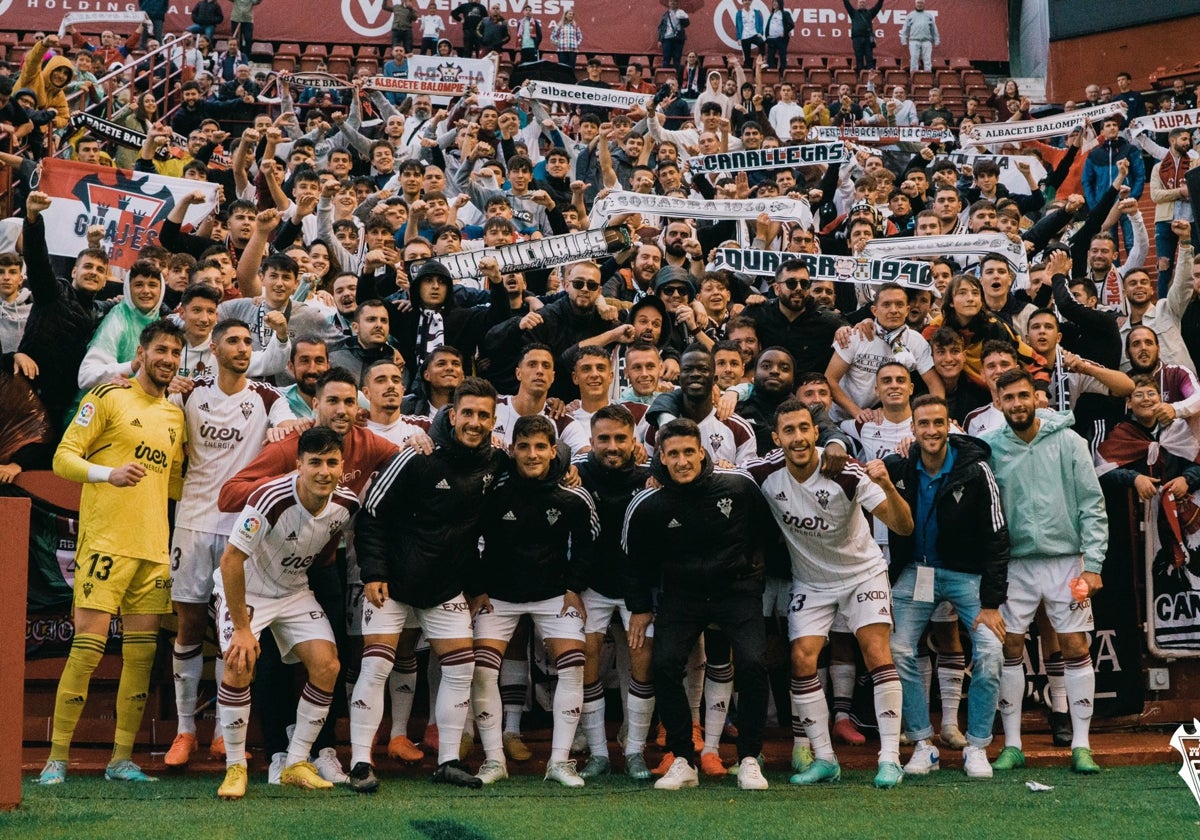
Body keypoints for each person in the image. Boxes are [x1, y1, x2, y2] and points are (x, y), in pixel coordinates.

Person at [38, 320, 186, 785]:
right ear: (140, 353)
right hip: (105, 543)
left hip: (152, 550)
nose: (168, 359)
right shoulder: (107, 397)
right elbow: (63, 458)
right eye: (160, 349)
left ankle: (121, 759)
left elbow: (178, 482)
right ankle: (55, 759)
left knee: (141, 658)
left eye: (175, 353)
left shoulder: (175, 416)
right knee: (86, 650)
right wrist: (108, 474)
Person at [350, 377, 510, 791]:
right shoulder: (416, 456)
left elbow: (542, 458)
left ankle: (450, 761)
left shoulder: (495, 461)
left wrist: (564, 462)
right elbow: (370, 515)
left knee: (461, 668)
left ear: (494, 421)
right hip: (393, 584)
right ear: (452, 414)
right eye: (468, 413)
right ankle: (361, 763)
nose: (475, 422)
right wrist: (374, 573)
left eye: (483, 416)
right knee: (377, 664)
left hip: (444, 586)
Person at [749, 398, 913, 789]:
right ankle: (825, 759)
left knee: (875, 652)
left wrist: (887, 484)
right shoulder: (764, 472)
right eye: (789, 431)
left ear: (815, 431)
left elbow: (903, 527)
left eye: (805, 428)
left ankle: (890, 758)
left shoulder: (846, 470)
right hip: (811, 581)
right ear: (777, 438)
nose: (799, 438)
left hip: (863, 574)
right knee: (802, 658)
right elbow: (724, 475)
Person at [164, 319, 298, 768]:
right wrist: (169, 388)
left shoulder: (267, 397)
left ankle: (224, 732)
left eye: (248, 342)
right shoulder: (188, 393)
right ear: (214, 349)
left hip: (242, 530)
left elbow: (291, 426)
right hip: (192, 522)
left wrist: (284, 432)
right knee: (188, 626)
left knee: (231, 634)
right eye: (234, 342)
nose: (243, 349)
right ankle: (185, 730)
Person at [623, 418, 775, 791]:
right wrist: (640, 607)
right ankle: (683, 759)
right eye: (673, 454)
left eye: (689, 452)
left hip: (736, 592)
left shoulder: (737, 486)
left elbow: (767, 533)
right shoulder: (649, 502)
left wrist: (752, 577)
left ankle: (749, 758)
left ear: (702, 451)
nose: (682, 461)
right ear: (661, 456)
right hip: (682, 596)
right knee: (665, 664)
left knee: (754, 663)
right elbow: (633, 560)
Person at [212, 427, 360, 799]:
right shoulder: (269, 496)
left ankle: (296, 762)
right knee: (239, 662)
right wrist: (243, 629)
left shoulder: (347, 504)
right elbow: (230, 560)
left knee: (328, 666)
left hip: (293, 590)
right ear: (299, 465)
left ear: (342, 464)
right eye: (315, 463)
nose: (324, 471)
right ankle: (235, 768)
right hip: (247, 588)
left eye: (331, 462)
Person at [980, 369, 1107, 775]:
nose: (1017, 404)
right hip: (1013, 562)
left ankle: (1082, 746)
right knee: (1009, 647)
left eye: (1023, 396)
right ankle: (1013, 744)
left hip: (1065, 559)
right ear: (997, 403)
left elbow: (1092, 504)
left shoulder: (1070, 441)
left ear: (1036, 397)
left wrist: (1095, 564)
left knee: (1074, 646)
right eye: (1008, 398)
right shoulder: (989, 448)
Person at [468, 415, 598, 787]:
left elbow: (587, 544)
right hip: (499, 597)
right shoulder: (494, 492)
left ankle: (559, 762)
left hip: (553, 594)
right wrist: (478, 588)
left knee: (573, 664)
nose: (532, 454)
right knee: (482, 669)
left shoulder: (572, 494)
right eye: (523, 446)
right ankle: (494, 760)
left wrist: (575, 585)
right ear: (511, 450)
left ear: (553, 451)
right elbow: (467, 539)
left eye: (540, 446)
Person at [884, 395, 1009, 779]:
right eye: (924, 424)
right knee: (899, 648)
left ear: (949, 425)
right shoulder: (899, 467)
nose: (932, 431)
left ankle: (977, 746)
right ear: (914, 429)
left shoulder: (975, 470)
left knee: (990, 653)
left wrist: (991, 604)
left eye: (939, 423)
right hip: (917, 573)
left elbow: (997, 537)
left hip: (966, 576)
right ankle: (923, 744)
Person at [574, 404, 656, 779]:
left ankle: (635, 751)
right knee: (585, 663)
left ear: (634, 440)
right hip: (591, 585)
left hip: (637, 588)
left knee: (643, 664)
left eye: (620, 438)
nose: (612, 446)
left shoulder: (650, 476)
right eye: (603, 439)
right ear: (590, 442)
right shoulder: (574, 472)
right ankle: (598, 754)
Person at [844, 0, 884, 71]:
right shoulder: (853, 13)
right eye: (860, 2)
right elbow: (847, 5)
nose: (861, 4)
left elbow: (878, 7)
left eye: (863, 2)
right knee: (859, 57)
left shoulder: (870, 13)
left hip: (867, 38)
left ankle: (870, 73)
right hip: (857, 38)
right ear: (857, 4)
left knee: (869, 57)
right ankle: (860, 73)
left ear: (866, 4)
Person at [899, 0, 939, 72]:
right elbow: (905, 29)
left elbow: (934, 29)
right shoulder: (910, 15)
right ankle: (914, 78)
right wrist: (903, 41)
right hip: (914, 41)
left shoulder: (929, 16)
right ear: (915, 4)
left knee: (927, 61)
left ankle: (928, 79)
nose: (919, 4)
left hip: (926, 41)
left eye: (921, 3)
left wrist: (936, 40)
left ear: (924, 4)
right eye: (918, 3)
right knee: (914, 61)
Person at [658, 0, 690, 71]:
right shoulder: (665, 14)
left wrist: (683, 18)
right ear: (669, 3)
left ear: (678, 3)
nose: (673, 3)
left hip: (678, 38)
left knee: (677, 59)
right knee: (666, 58)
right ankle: (665, 76)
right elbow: (661, 27)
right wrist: (660, 40)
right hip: (667, 38)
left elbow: (687, 24)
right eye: (671, 1)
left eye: (675, 1)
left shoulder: (681, 13)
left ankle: (677, 77)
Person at [763, 0, 795, 71]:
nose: (774, 3)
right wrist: (767, 35)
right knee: (770, 57)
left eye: (776, 2)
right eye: (773, 2)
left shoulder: (785, 13)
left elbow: (791, 24)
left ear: (780, 3)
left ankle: (782, 73)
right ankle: (771, 72)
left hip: (781, 39)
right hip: (771, 39)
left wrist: (785, 32)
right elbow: (768, 26)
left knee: (782, 56)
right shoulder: (772, 14)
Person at [734, 0, 766, 69]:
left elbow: (761, 23)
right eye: (745, 0)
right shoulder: (739, 13)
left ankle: (760, 60)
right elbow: (737, 26)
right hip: (744, 36)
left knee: (761, 43)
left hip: (754, 34)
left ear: (751, 2)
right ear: (742, 2)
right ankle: (748, 73)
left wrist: (760, 32)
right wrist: (738, 38)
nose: (747, 2)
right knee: (747, 57)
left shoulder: (756, 12)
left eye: (749, 0)